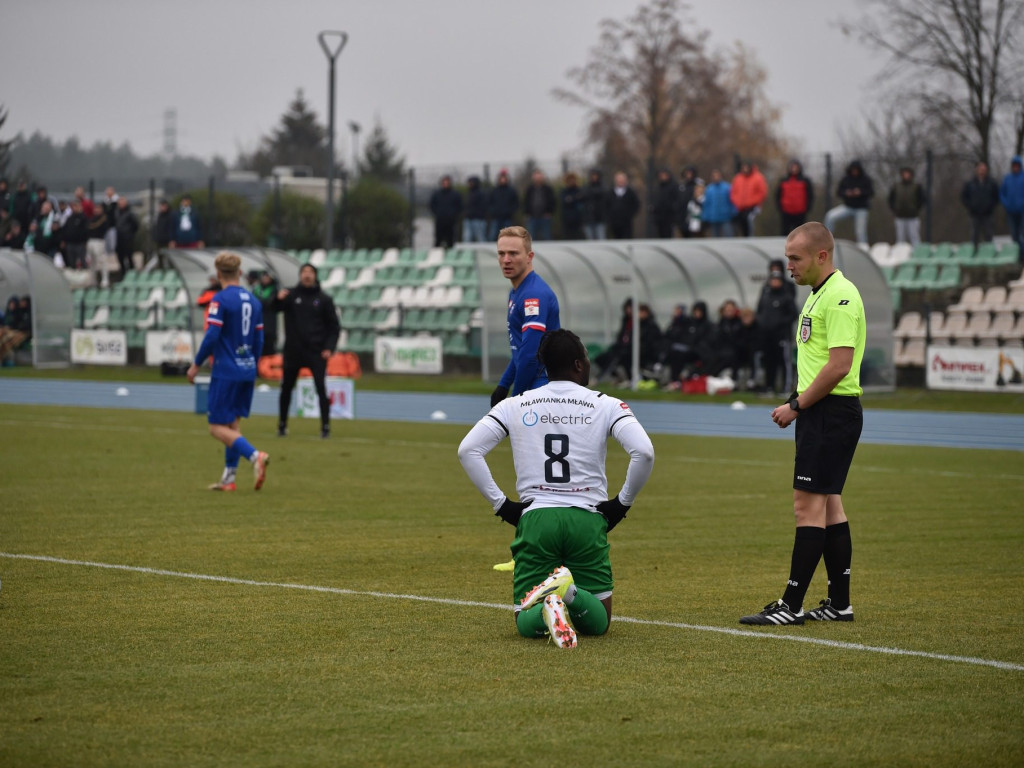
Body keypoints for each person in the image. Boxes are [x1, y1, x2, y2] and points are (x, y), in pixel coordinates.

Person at [458, 328, 656, 648]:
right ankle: (570, 592)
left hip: (537, 519)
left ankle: (550, 603)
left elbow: (468, 450)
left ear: (545, 367)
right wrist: (621, 504)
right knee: (599, 623)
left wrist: (502, 506)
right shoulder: (607, 404)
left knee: (525, 620)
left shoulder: (515, 404)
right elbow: (644, 452)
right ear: (579, 365)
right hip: (587, 518)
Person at [740, 221, 865, 626]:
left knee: (806, 506)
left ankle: (790, 606)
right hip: (824, 413)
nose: (788, 265)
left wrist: (796, 405)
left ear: (821, 256)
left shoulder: (841, 295)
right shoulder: (818, 295)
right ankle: (838, 604)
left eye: (795, 258)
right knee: (830, 506)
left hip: (830, 412)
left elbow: (840, 366)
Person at [186, 251, 269, 493]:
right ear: (240, 273)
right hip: (247, 369)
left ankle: (255, 456)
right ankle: (229, 479)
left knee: (215, 427)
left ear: (219, 274)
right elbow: (260, 339)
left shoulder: (219, 300)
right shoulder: (254, 302)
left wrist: (195, 364)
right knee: (232, 425)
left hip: (226, 370)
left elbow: (212, 335)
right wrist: (251, 364)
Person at [490, 226, 560, 407]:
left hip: (541, 385)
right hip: (533, 383)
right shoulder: (516, 292)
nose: (506, 260)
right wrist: (503, 385)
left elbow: (530, 355)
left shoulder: (532, 295)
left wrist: (516, 398)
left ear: (530, 257)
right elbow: (521, 350)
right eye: (501, 253)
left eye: (513, 254)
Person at [275, 263, 341, 438]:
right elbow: (271, 309)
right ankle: (282, 425)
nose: (307, 275)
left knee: (321, 388)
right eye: (304, 272)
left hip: (316, 351)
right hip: (293, 351)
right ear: (299, 275)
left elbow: (334, 327)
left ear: (315, 276)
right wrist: (277, 298)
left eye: (310, 272)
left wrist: (329, 347)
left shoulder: (324, 299)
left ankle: (325, 427)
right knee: (286, 388)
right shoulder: (290, 295)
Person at [755, 266, 799, 394]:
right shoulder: (766, 295)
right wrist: (762, 323)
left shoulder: (786, 296)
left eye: (777, 279)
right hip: (767, 336)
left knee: (784, 362)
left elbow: (793, 314)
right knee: (769, 361)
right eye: (772, 279)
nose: (774, 282)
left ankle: (786, 388)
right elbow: (759, 311)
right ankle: (770, 387)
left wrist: (779, 323)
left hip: (782, 335)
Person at [824, 160, 874, 246]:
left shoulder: (865, 179)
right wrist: (846, 193)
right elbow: (839, 192)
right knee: (830, 216)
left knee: (860, 231)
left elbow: (871, 192)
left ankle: (863, 248)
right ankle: (826, 241)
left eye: (856, 170)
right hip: (848, 207)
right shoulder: (846, 179)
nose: (854, 172)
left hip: (861, 208)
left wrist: (860, 192)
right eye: (853, 170)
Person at [888, 167, 926, 246]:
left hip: (913, 216)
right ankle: (900, 253)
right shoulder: (896, 186)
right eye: (904, 174)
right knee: (900, 238)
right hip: (900, 215)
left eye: (907, 174)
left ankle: (917, 252)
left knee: (914, 236)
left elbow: (922, 199)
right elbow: (890, 199)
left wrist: (916, 209)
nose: (906, 175)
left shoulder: (916, 186)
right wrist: (894, 209)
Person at [775, 160, 814, 235]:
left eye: (796, 167)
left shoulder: (805, 181)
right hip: (786, 212)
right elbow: (778, 195)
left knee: (800, 233)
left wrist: (808, 207)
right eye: (792, 167)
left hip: (800, 212)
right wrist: (780, 208)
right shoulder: (783, 181)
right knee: (785, 232)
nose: (794, 169)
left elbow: (810, 195)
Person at [730, 161, 768, 237]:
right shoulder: (738, 178)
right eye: (744, 167)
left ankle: (752, 239)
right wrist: (737, 202)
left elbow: (762, 192)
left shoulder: (758, 177)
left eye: (747, 167)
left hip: (753, 208)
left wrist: (752, 202)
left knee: (750, 222)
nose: (745, 169)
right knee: (740, 225)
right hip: (740, 208)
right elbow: (733, 192)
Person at [249, 270, 279, 356]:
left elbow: (269, 303)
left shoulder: (274, 289)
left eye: (267, 277)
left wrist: (259, 302)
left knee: (269, 348)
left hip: (269, 324)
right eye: (264, 277)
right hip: (257, 322)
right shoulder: (256, 289)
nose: (265, 279)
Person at [999, 156, 1024, 255]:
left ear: (1020, 166)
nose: (1016, 167)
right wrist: (1006, 204)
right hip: (1010, 211)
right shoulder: (1007, 178)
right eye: (1014, 166)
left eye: (1017, 166)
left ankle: (1022, 254)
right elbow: (1002, 193)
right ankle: (1016, 253)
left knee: (1022, 233)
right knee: (1014, 234)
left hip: (1022, 211)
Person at [429, 175, 463, 248]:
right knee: (438, 239)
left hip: (451, 221)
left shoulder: (455, 194)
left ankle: (451, 255)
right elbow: (432, 205)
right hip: (440, 220)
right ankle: (436, 254)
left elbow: (460, 206)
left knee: (450, 239)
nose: (445, 184)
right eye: (444, 182)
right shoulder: (437, 194)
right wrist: (437, 213)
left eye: (447, 182)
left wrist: (454, 214)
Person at [522, 170, 556, 241]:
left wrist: (549, 212)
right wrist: (527, 213)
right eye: (536, 177)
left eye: (539, 177)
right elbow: (525, 202)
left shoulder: (548, 189)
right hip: (532, 217)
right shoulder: (529, 189)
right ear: (533, 178)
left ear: (542, 178)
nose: (538, 179)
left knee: (547, 237)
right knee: (531, 238)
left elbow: (553, 201)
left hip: (545, 217)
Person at [607, 171, 640, 240]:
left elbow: (636, 204)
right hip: (614, 222)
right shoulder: (610, 192)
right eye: (618, 180)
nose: (620, 181)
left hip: (626, 222)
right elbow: (606, 205)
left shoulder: (630, 192)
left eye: (622, 180)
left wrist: (630, 214)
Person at [702, 169, 735, 237]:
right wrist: (705, 217)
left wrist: (734, 212)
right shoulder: (709, 189)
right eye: (714, 176)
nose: (716, 177)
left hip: (725, 217)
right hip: (713, 217)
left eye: (717, 176)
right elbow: (707, 204)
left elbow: (732, 201)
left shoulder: (727, 187)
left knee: (728, 235)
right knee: (715, 237)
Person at [487, 170, 519, 240]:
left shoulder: (511, 191)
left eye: (504, 178)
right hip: (496, 218)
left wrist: (510, 212)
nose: (503, 180)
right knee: (492, 236)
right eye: (501, 178)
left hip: (507, 218)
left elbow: (516, 203)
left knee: (509, 237)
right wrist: (493, 212)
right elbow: (489, 203)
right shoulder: (494, 191)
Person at [114, 197, 139, 276]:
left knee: (129, 256)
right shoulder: (117, 212)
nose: (121, 204)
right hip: (119, 238)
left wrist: (129, 233)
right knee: (120, 256)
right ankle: (123, 273)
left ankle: (132, 273)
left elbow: (136, 225)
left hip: (128, 238)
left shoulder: (130, 213)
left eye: (122, 202)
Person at [652, 168, 679, 238]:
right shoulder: (657, 187)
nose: (662, 177)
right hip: (659, 218)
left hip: (669, 217)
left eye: (664, 175)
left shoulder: (674, 186)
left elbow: (676, 201)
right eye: (661, 175)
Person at [581, 169, 607, 240]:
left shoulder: (603, 187)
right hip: (588, 219)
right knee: (590, 241)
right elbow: (582, 196)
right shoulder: (586, 187)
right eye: (593, 176)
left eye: (596, 175)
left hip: (600, 218)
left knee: (601, 239)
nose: (594, 177)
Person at [559, 172, 584, 240]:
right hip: (567, 220)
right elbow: (565, 201)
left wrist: (571, 199)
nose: (571, 181)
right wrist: (575, 198)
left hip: (578, 220)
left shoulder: (579, 190)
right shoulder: (564, 191)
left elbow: (580, 199)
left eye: (573, 179)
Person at [462, 176, 488, 243]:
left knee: (481, 238)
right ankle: (467, 253)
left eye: (471, 182)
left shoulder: (481, 194)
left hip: (478, 220)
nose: (470, 184)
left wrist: (478, 214)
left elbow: (484, 206)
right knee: (467, 238)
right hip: (468, 219)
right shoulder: (469, 193)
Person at [676, 166, 699, 237]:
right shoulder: (681, 185)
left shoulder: (698, 184)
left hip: (694, 213)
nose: (688, 175)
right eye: (687, 173)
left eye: (690, 173)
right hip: (683, 214)